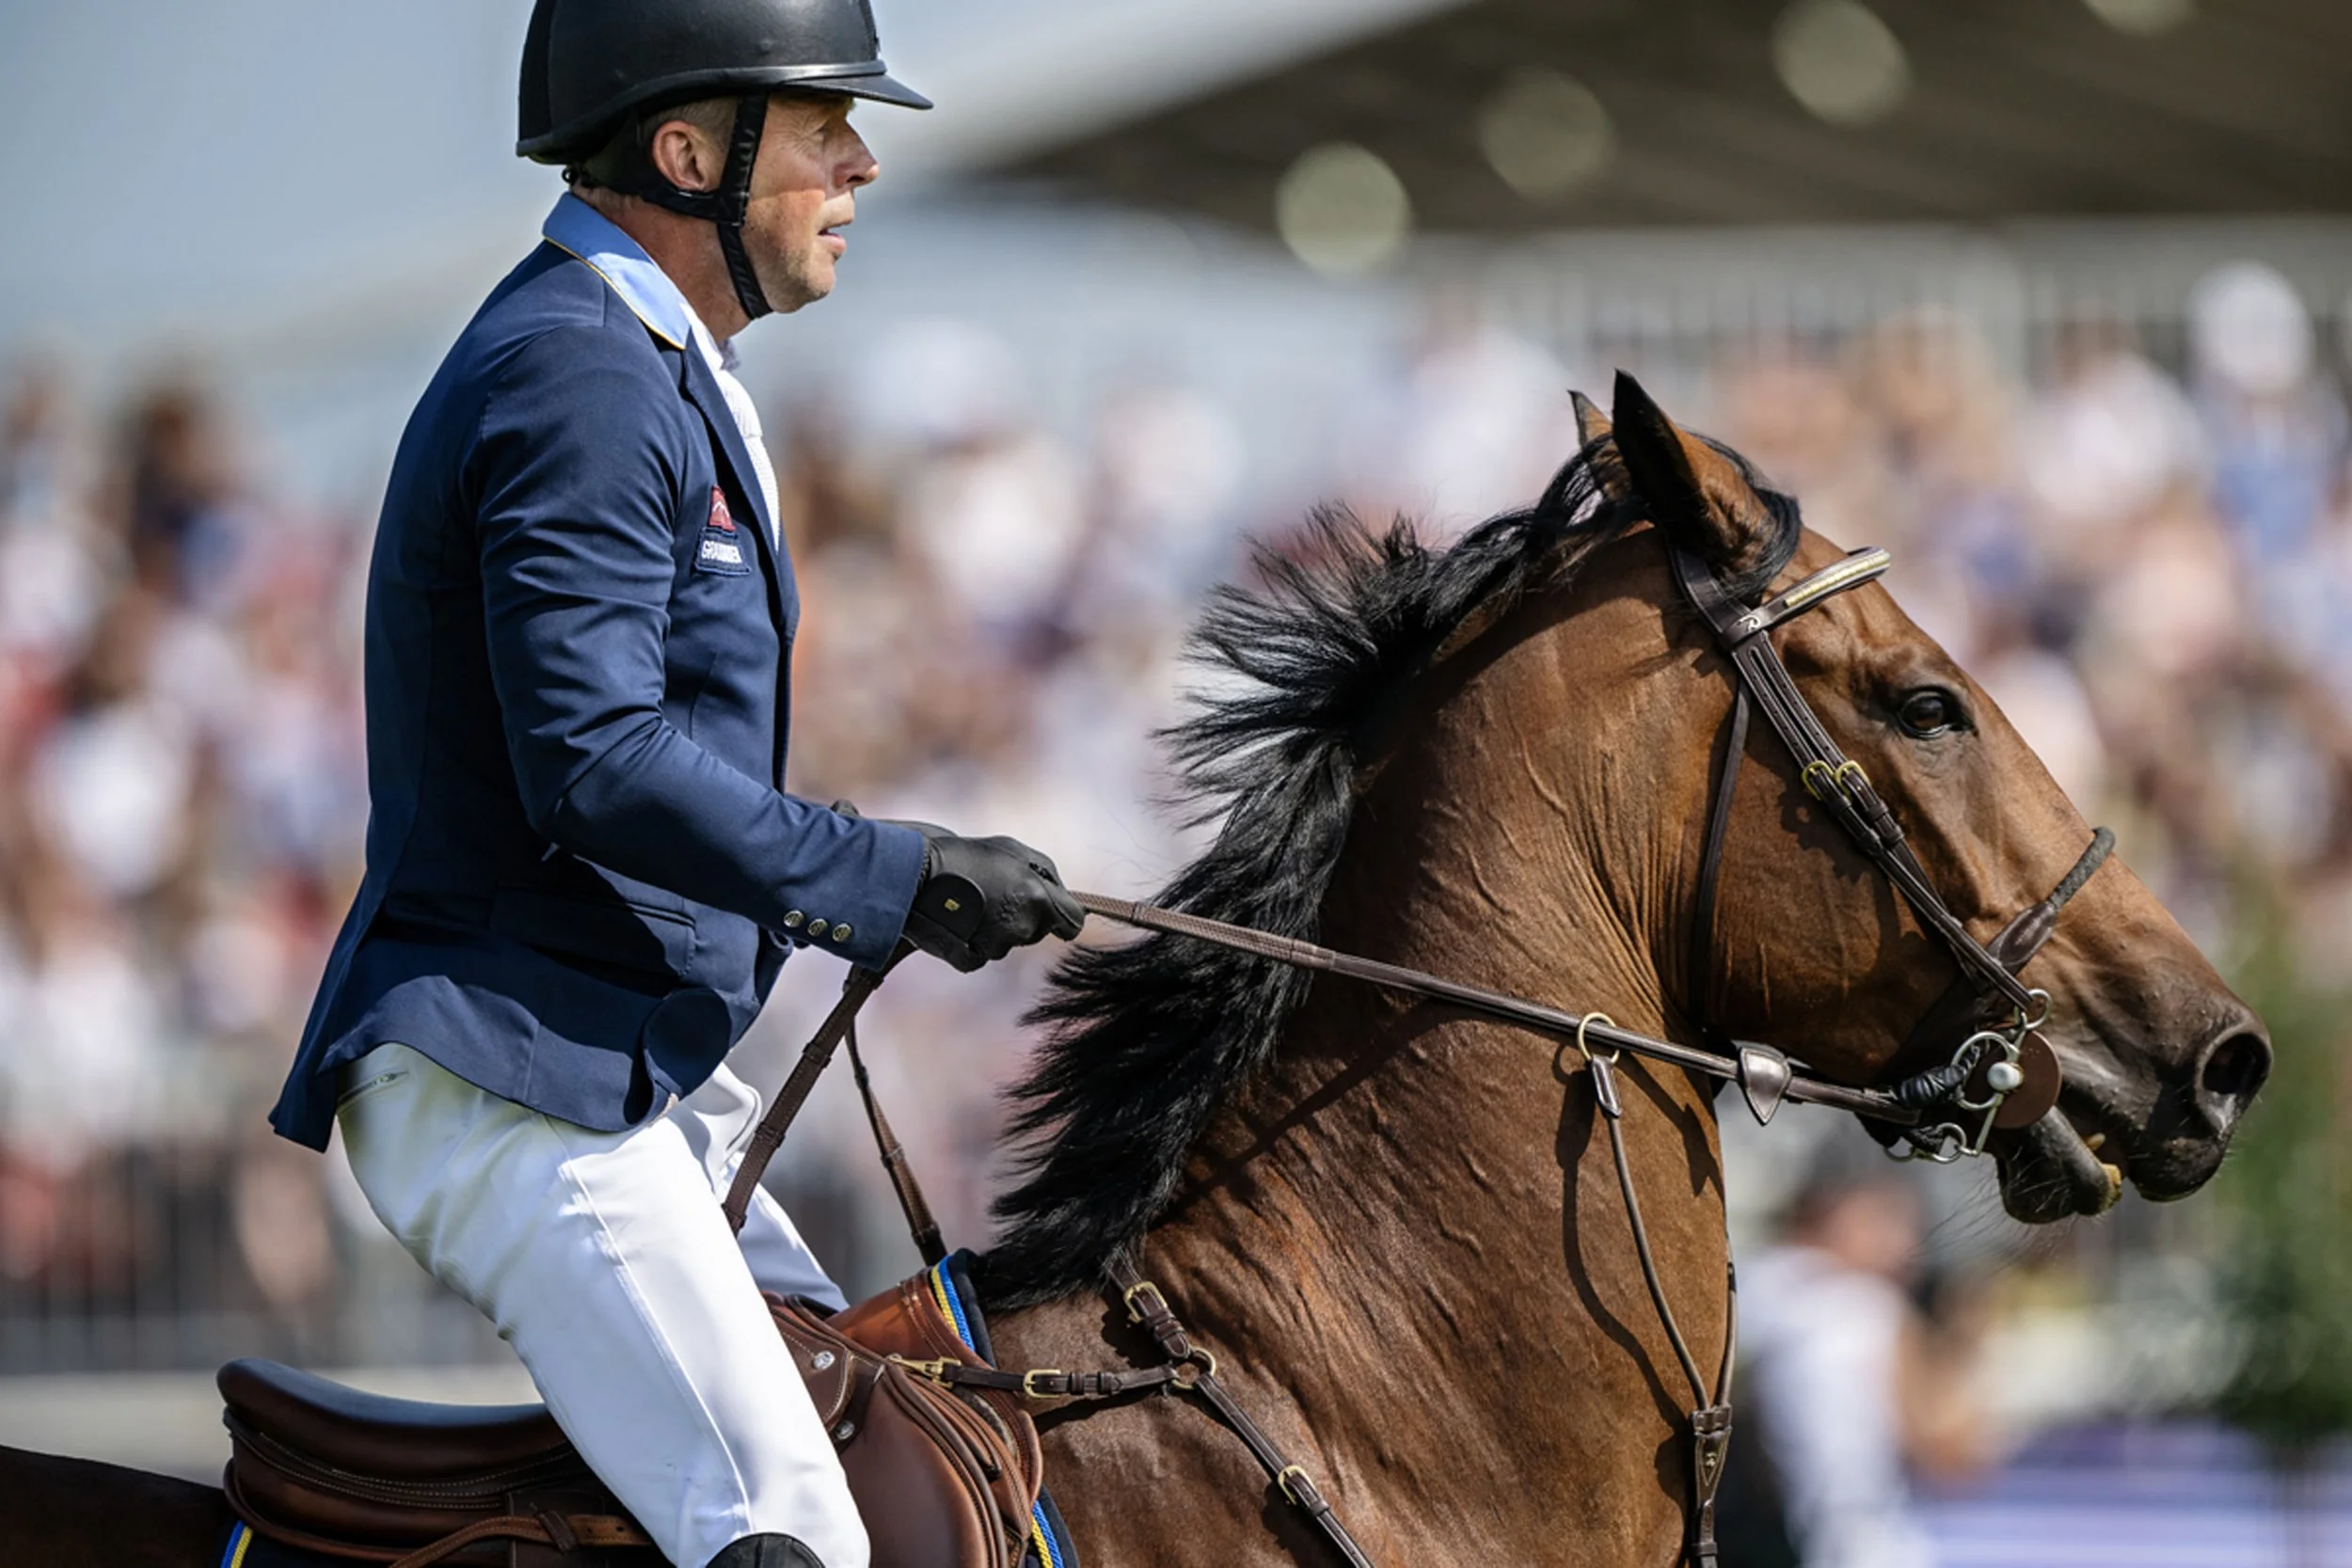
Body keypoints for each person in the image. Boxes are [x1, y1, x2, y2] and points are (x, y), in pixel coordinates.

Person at [266, 5, 1084, 1566]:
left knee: (910, 1449)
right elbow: (591, 759)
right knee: (788, 1538)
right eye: (824, 125)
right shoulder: (581, 367)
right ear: (688, 151)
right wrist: (895, 875)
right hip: (521, 1087)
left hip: (619, 1075)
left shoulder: (657, 360)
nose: (860, 162)